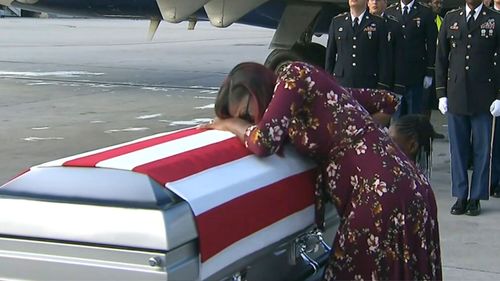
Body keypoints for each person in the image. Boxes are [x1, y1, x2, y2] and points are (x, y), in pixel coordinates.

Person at [202, 61, 441, 280]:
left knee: (350, 271)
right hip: (406, 184)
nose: (250, 119)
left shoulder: (292, 75)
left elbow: (265, 142)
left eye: (246, 112)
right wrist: (357, 137)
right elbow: (386, 101)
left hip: (380, 192)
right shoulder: (320, 94)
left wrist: (233, 125)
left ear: (257, 89)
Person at [435, 0, 500, 216]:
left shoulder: (495, 19)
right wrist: (441, 93)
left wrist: (499, 96)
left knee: (483, 150)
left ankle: (476, 197)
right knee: (458, 149)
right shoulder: (451, 18)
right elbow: (442, 58)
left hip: (484, 96)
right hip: (456, 93)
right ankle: (461, 195)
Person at [386, 0, 438, 117]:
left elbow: (431, 44)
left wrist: (430, 71)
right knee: (396, 118)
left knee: (414, 117)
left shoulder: (425, 12)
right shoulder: (390, 11)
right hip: (395, 75)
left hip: (416, 73)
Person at [325, 0, 391, 89]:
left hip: (368, 83)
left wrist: (382, 84)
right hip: (342, 82)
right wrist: (328, 82)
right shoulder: (337, 22)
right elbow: (330, 56)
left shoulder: (378, 23)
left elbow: (384, 57)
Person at [368, 0, 406, 96]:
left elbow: (399, 57)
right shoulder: (359, 23)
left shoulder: (393, 25)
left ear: (385, 3)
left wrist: (399, 85)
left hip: (388, 81)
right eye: (371, 0)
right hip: (365, 79)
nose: (374, 2)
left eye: (378, 0)